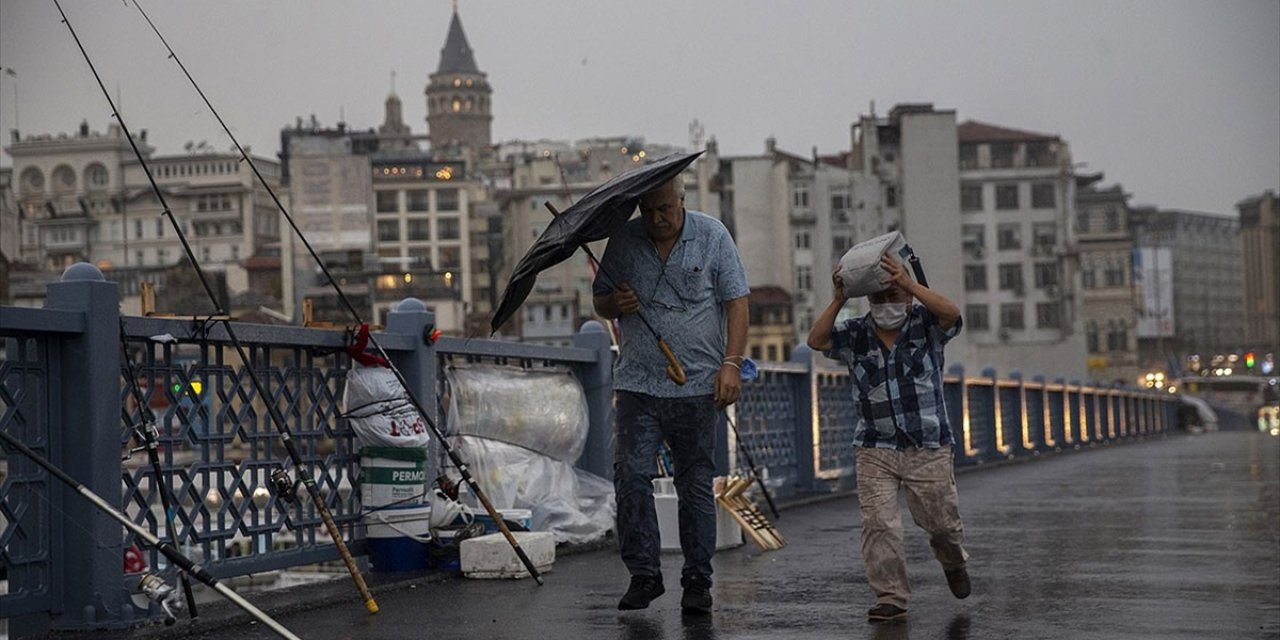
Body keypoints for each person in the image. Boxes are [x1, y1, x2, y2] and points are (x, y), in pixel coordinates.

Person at [593, 174, 749, 615]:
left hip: (698, 384)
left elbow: (737, 301)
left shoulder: (712, 235)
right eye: (648, 211)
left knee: (695, 483)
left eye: (665, 209)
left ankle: (697, 578)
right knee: (631, 475)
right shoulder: (624, 240)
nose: (657, 219)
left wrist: (731, 365)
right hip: (638, 383)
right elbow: (600, 301)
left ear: (682, 200)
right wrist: (614, 305)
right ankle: (644, 574)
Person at [806, 254, 970, 622]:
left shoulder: (926, 324)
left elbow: (953, 312)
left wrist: (909, 285)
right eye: (877, 297)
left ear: (908, 297)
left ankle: (954, 562)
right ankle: (890, 596)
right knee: (879, 524)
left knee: (941, 525)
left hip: (927, 443)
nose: (885, 304)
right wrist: (839, 299)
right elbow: (816, 340)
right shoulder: (855, 333)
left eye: (892, 295)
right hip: (874, 446)